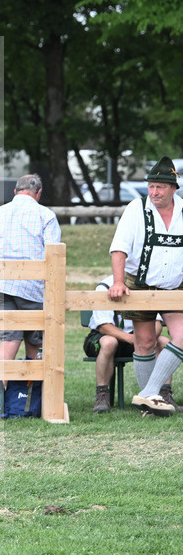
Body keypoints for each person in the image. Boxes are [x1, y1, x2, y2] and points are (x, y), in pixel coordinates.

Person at [107, 156, 183, 417]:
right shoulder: (135, 208)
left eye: (160, 187)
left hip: (174, 285)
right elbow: (119, 248)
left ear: (174, 188)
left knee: (182, 335)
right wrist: (117, 282)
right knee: (145, 341)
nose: (154, 192)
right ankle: (150, 406)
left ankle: (149, 393)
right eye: (151, 186)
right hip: (139, 285)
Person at [0, 174, 61, 364]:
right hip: (32, 287)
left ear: (15, 192)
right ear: (38, 193)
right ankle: (30, 391)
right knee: (34, 342)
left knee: (10, 340)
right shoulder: (46, 215)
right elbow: (53, 255)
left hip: (1, 286)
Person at [84, 275, 171, 413]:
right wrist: (132, 339)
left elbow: (157, 323)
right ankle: (102, 394)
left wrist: (147, 339)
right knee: (109, 342)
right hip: (105, 337)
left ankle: (164, 395)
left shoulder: (145, 286)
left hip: (138, 337)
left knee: (164, 342)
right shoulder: (105, 286)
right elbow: (103, 326)